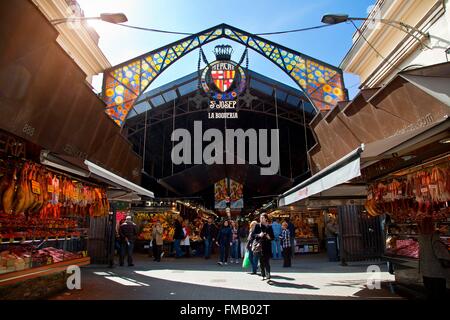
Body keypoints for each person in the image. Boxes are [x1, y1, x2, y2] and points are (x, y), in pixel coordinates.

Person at [418, 214, 450, 300]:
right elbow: (442, 255)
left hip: (425, 273)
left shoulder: (420, 237)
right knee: (439, 295)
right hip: (436, 274)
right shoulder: (435, 238)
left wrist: (438, 231)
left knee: (430, 295)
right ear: (432, 225)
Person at [252, 213, 274, 280]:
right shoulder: (257, 226)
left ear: (266, 218)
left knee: (267, 261)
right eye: (260, 218)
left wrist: (268, 237)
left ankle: (268, 274)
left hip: (267, 246)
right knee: (261, 261)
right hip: (260, 246)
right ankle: (263, 275)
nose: (261, 219)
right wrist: (259, 235)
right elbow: (253, 235)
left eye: (262, 218)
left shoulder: (269, 226)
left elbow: (273, 237)